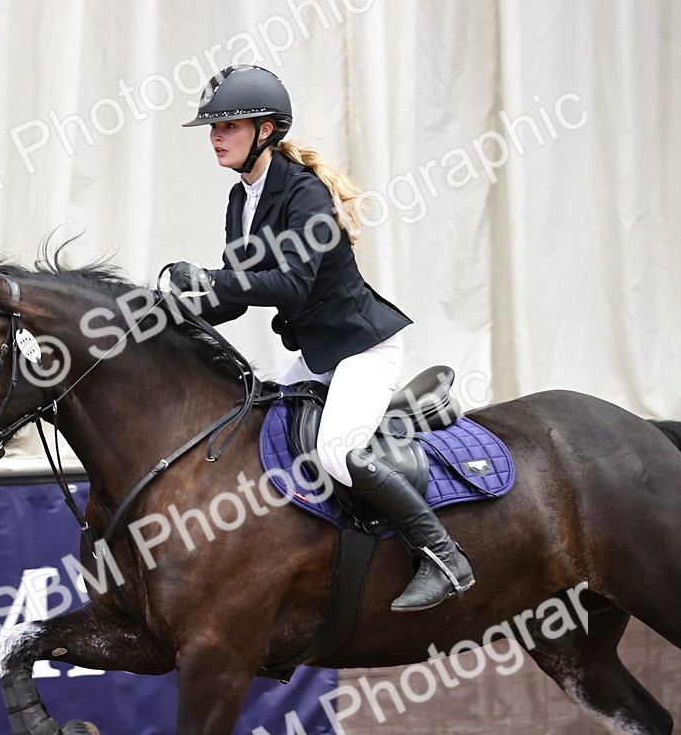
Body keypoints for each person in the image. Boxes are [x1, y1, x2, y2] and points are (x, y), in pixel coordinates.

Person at [170, 64, 473, 612]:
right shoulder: (243, 199)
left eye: (229, 126)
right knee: (261, 431)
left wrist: (211, 279)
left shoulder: (303, 193)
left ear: (266, 129)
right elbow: (235, 298)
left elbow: (291, 283)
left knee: (338, 452)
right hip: (320, 356)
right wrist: (174, 316)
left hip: (362, 350)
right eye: (212, 127)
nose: (215, 137)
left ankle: (443, 555)